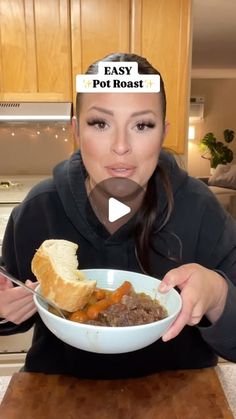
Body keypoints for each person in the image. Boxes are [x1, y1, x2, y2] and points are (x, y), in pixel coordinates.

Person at [0, 53, 236, 379]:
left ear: (163, 133)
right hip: (59, 395)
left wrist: (218, 295)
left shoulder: (202, 208)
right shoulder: (39, 208)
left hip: (181, 397)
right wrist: (4, 309)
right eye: (100, 123)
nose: (121, 146)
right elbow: (14, 306)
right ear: (76, 131)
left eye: (142, 125)